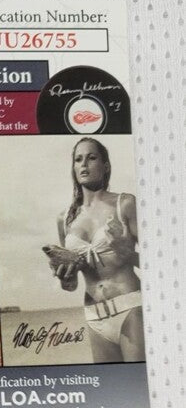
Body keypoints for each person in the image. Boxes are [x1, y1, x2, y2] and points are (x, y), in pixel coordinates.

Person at [44, 137, 144, 362]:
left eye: (91, 158)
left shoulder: (125, 204)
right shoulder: (65, 219)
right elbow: (72, 285)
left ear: (105, 166)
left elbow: (162, 263)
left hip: (130, 308)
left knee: (136, 379)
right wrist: (65, 278)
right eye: (78, 159)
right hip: (94, 317)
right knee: (110, 383)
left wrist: (128, 253)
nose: (84, 164)